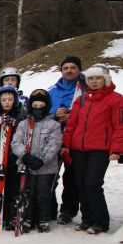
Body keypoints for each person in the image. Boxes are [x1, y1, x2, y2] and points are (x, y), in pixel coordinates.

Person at [61, 64, 123, 234]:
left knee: (92, 184)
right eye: (91, 79)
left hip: (100, 150)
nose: (94, 82)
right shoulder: (81, 100)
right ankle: (86, 219)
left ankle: (100, 221)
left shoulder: (116, 99)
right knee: (80, 185)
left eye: (98, 78)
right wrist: (66, 145)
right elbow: (71, 125)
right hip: (78, 149)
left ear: (106, 80)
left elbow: (119, 126)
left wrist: (116, 149)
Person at [10, 90, 62, 233]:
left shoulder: (53, 125)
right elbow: (16, 142)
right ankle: (28, 218)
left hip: (45, 167)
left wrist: (43, 160)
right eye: (35, 105)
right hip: (26, 165)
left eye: (41, 105)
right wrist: (25, 156)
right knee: (28, 192)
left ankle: (43, 219)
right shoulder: (23, 124)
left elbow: (54, 144)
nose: (38, 109)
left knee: (43, 194)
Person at [47, 55, 87, 225]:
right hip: (53, 139)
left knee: (71, 178)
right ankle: (48, 208)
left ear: (79, 70)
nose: (69, 70)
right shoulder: (52, 90)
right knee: (49, 176)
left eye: (73, 67)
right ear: (61, 70)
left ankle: (68, 210)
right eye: (66, 68)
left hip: (75, 140)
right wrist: (54, 114)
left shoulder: (85, 90)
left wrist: (72, 116)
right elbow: (40, 112)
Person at [0, 85, 28, 229]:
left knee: (12, 188)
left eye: (10, 99)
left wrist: (15, 126)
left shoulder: (21, 115)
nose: (7, 102)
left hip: (13, 159)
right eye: (4, 100)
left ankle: (10, 216)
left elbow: (25, 135)